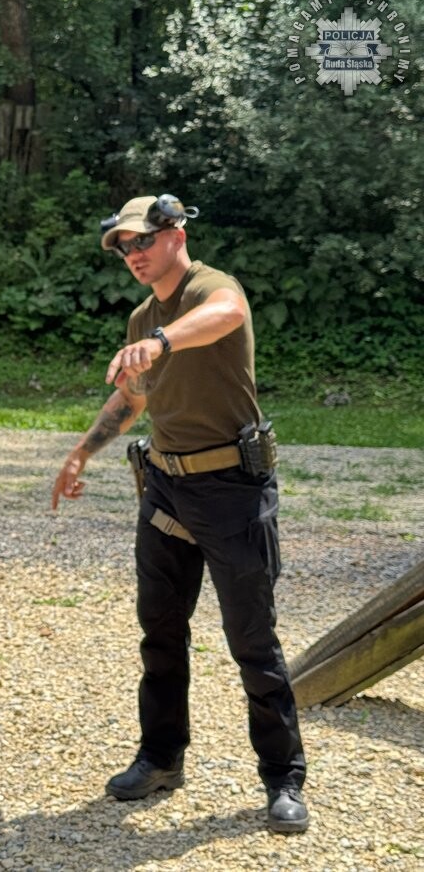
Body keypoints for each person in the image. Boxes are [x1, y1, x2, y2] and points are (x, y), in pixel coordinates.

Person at [50, 194, 308, 833]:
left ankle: (284, 778)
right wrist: (82, 453)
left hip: (232, 489)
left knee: (253, 640)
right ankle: (162, 758)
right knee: (160, 632)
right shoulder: (143, 316)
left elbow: (226, 314)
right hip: (165, 487)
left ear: (176, 233)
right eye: (125, 248)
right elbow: (131, 398)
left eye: (142, 241)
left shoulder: (212, 289)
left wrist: (161, 341)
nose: (134, 255)